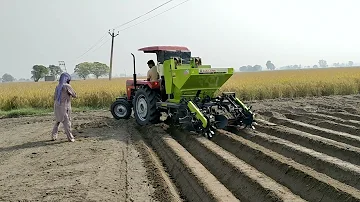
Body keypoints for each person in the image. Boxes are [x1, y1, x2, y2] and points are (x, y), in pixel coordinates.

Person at [51, 72, 77, 142]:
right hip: (64, 106)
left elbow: (55, 97)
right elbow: (74, 95)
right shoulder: (67, 86)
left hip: (57, 106)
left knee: (58, 121)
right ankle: (70, 138)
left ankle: (54, 135)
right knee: (67, 122)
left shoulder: (58, 86)